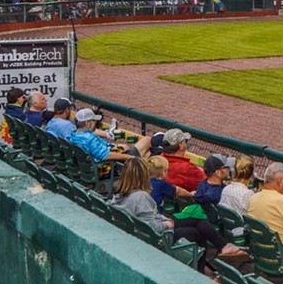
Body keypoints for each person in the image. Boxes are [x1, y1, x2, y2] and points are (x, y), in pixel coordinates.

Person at [116, 157, 250, 266]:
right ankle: (203, 269)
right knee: (197, 232)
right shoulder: (140, 196)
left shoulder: (119, 194)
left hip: (139, 231)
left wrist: (163, 220)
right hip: (156, 237)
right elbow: (154, 228)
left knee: (197, 220)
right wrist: (167, 224)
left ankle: (224, 246)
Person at [66, 108, 151, 163]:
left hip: (90, 167)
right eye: (93, 121)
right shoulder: (89, 138)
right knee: (147, 140)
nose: (95, 123)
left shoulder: (72, 136)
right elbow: (106, 156)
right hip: (107, 167)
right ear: (87, 123)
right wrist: (130, 157)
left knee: (142, 153)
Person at [161, 128, 208, 193]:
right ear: (181, 145)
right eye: (185, 141)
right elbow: (208, 185)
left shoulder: (159, 159)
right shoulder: (187, 169)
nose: (186, 143)